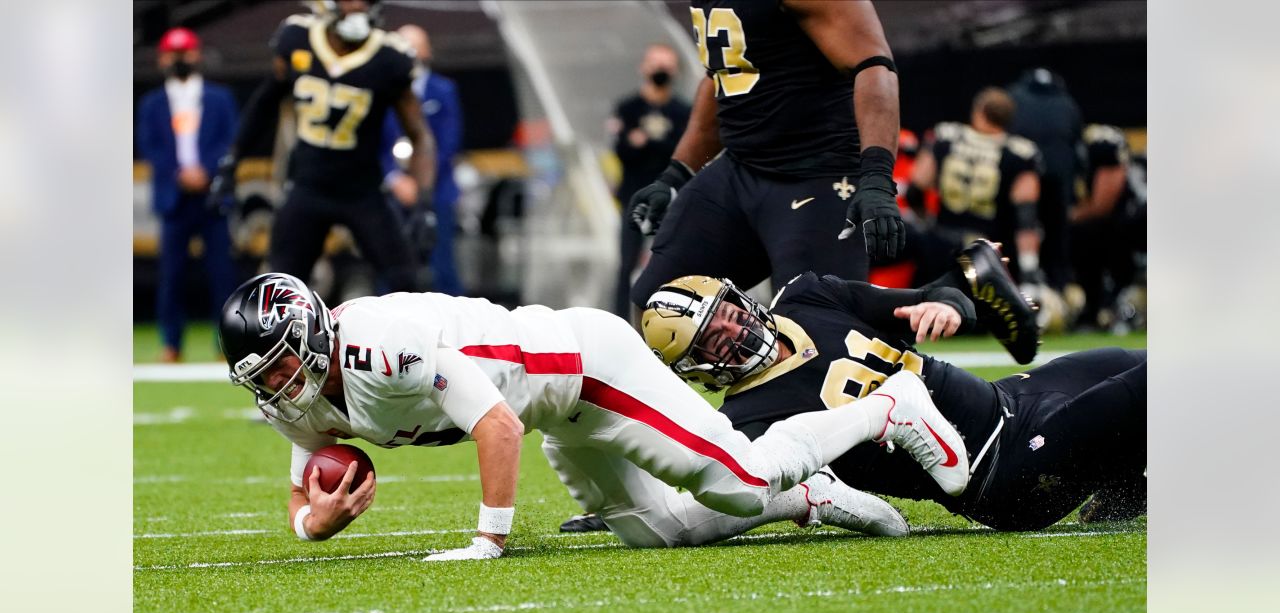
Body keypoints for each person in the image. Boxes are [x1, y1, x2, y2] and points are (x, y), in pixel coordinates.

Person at [217, 272, 973, 560]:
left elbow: (497, 427)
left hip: (584, 366)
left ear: (315, 335)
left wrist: (489, 540)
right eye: (264, 376)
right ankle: (808, 497)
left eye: (284, 362)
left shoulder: (383, 347)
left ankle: (887, 409)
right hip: (555, 412)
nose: (281, 385)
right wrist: (310, 524)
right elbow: (301, 491)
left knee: (736, 483)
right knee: (659, 531)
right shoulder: (297, 394)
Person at [639, 258, 1146, 532]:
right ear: (697, 369)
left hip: (1012, 398)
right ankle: (1128, 468)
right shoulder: (750, 420)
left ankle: (1128, 479)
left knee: (1132, 362)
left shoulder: (806, 295)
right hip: (1000, 475)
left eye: (727, 312)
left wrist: (948, 306)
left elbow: (934, 294)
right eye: (715, 339)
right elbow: (748, 490)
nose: (737, 329)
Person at [627, 0, 906, 316]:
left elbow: (874, 64)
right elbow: (725, 75)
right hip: (740, 170)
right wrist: (676, 174)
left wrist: (877, 177)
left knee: (818, 329)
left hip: (817, 173)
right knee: (659, 305)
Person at [208, 0, 434, 295]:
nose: (359, 6)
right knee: (280, 289)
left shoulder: (389, 57)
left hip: (362, 190)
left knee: (406, 282)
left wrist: (424, 203)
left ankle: (405, 342)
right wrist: (231, 161)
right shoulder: (297, 38)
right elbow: (265, 103)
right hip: (307, 186)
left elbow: (420, 135)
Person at [136, 27, 239, 363]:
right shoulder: (152, 103)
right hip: (174, 197)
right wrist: (179, 174)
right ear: (163, 58)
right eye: (173, 53)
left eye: (185, 52)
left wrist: (206, 171)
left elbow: (231, 139)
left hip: (211, 195)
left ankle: (227, 342)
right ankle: (171, 343)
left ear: (197, 54)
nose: (180, 60)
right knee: (172, 275)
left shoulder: (219, 98)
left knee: (222, 273)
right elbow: (149, 146)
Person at [908, 88, 1045, 295]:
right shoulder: (1021, 152)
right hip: (988, 253)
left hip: (941, 244)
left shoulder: (946, 136)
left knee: (928, 303)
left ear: (979, 111)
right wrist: (1029, 272)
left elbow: (916, 188)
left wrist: (927, 223)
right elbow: (1025, 218)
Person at [380, 24, 466, 295]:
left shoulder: (444, 91)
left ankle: (458, 332)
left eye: (417, 45)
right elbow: (375, 143)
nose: (412, 53)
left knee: (444, 269)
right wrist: (394, 178)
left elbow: (449, 143)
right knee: (390, 268)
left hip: (436, 191)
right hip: (393, 195)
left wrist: (421, 182)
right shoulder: (380, 92)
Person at [607, 43, 691, 318]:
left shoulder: (681, 111)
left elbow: (682, 152)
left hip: (672, 200)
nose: (661, 70)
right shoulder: (628, 107)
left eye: (666, 65)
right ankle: (620, 320)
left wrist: (645, 141)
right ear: (643, 67)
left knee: (671, 264)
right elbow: (622, 151)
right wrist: (658, 145)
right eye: (655, 64)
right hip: (634, 196)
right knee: (627, 264)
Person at [1007, 67, 1084, 294]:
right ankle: (1056, 289)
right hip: (1056, 183)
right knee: (1055, 237)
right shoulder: (1067, 104)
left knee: (1018, 229)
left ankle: (1020, 286)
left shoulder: (1014, 98)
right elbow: (1077, 150)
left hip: (1021, 182)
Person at [1069, 123, 1146, 330]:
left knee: (1083, 233)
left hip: (1135, 226)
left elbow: (1103, 205)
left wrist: (1067, 217)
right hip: (1134, 224)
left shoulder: (1101, 145)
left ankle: (1099, 306)